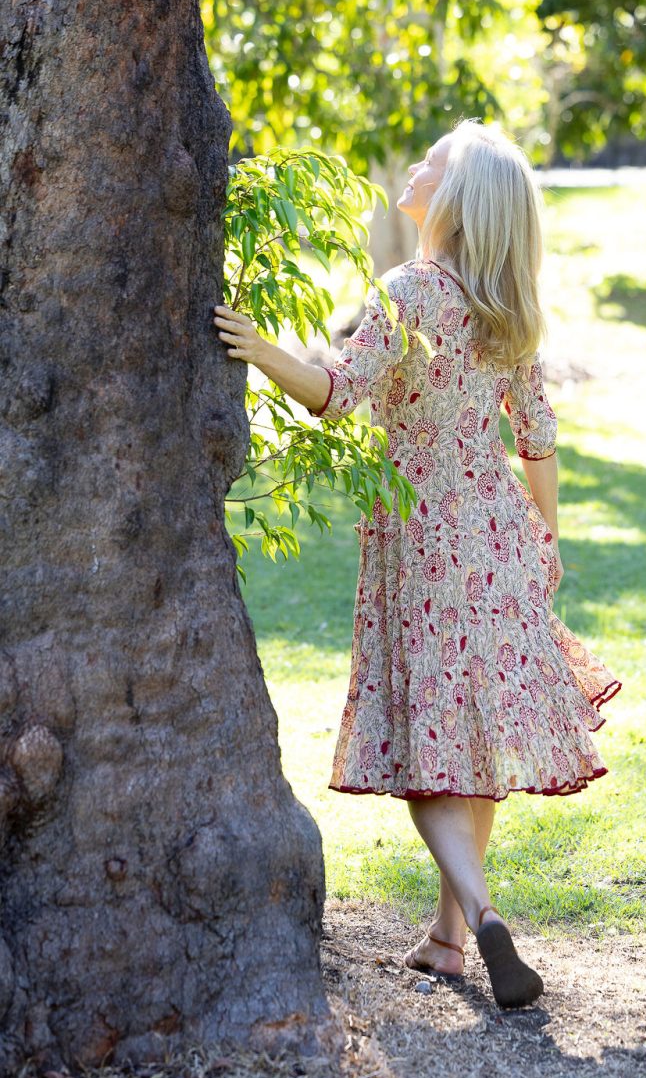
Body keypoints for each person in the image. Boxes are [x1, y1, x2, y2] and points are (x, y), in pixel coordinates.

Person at [213, 117, 621, 1009]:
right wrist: (548, 543)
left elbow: (336, 395)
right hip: (502, 538)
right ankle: (446, 939)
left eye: (431, 162)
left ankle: (480, 914)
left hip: (423, 540)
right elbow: (537, 440)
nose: (415, 167)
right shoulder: (509, 306)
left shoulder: (409, 291)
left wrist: (259, 347)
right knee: (471, 731)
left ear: (457, 198)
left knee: (428, 740)